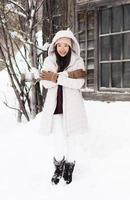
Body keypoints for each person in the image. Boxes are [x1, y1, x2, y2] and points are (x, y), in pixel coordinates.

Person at [39, 29, 88, 185]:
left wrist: (57, 77)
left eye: (65, 45)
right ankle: (58, 166)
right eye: (59, 45)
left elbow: (79, 83)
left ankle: (69, 166)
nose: (62, 49)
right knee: (59, 140)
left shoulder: (77, 61)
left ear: (70, 46)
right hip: (56, 109)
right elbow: (45, 83)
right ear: (55, 46)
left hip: (73, 108)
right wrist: (66, 77)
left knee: (72, 140)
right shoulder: (49, 61)